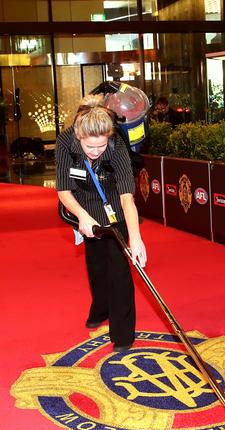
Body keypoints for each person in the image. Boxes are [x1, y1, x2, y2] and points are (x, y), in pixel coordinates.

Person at [55, 95, 147, 353]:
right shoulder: (65, 141)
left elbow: (127, 197)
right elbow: (63, 190)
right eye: (90, 147)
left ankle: (123, 334)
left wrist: (136, 238)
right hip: (82, 203)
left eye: (101, 146)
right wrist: (83, 216)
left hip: (114, 204)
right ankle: (100, 308)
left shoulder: (116, 145)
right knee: (96, 262)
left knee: (119, 268)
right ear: (79, 136)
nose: (96, 152)